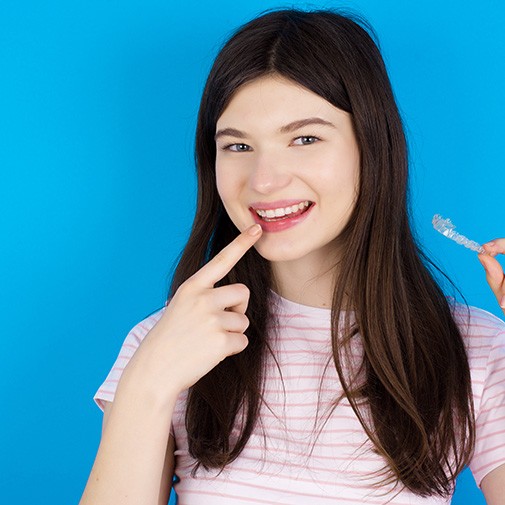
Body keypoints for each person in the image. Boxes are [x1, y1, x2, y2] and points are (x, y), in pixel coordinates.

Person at [79, 8, 505, 505]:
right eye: (237, 145)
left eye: (305, 138)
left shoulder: (474, 348)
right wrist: (147, 386)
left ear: (373, 147)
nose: (263, 180)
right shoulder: (167, 344)